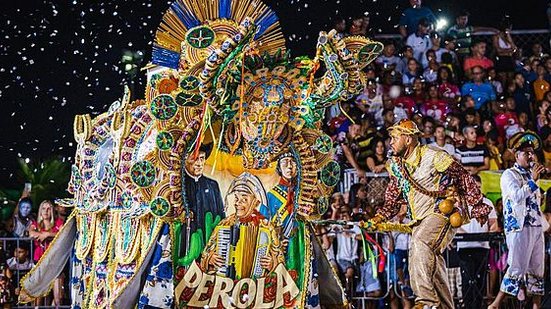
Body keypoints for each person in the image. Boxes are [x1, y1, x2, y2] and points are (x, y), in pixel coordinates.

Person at [367, 119, 490, 308]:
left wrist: (477, 204)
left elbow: (463, 176)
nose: (390, 142)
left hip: (441, 214)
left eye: (394, 138)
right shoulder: (395, 165)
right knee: (432, 263)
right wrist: (379, 217)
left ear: (408, 139)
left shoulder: (433, 155)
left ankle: (425, 301)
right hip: (420, 220)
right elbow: (392, 198)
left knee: (420, 242)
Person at [489, 131, 546, 308]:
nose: (530, 156)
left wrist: (539, 195)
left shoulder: (531, 175)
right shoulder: (509, 175)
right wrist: (534, 182)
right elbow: (515, 197)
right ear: (516, 155)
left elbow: (533, 200)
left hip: (536, 226)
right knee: (516, 267)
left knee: (537, 269)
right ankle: (496, 304)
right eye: (526, 153)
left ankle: (536, 306)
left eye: (532, 152)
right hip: (519, 228)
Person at [201, 172, 281, 276]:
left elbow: (280, 259)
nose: (238, 203)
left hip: (257, 286)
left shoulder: (266, 227)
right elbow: (205, 254)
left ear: (255, 202)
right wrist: (210, 259)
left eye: (244, 199)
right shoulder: (225, 224)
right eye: (236, 198)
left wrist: (272, 264)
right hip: (228, 284)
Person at [178, 143, 225, 265]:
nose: (199, 163)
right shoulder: (178, 184)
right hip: (183, 248)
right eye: (194, 158)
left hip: (208, 252)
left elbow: (220, 219)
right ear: (185, 159)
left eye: (202, 158)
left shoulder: (212, 185)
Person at [456, 175, 498, 309]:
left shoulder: (487, 203)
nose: (476, 190)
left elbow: (494, 224)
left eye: (479, 187)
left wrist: (485, 235)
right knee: (467, 281)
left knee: (480, 282)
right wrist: (468, 235)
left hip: (482, 246)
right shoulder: (460, 204)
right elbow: (454, 225)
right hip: (464, 246)